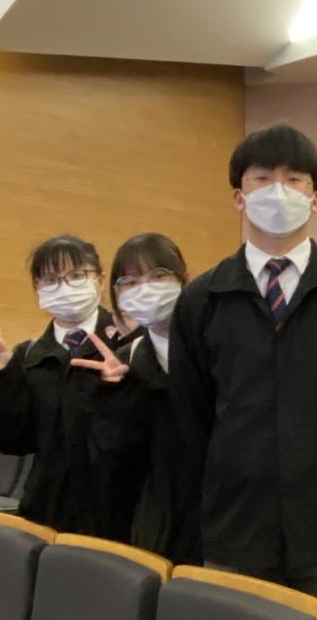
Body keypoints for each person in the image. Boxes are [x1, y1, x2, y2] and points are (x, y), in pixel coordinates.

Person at [168, 124, 317, 613]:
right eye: (262, 178)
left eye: (294, 179)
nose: (279, 191)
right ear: (239, 196)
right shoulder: (202, 298)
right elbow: (192, 418)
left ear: (315, 198)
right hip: (237, 531)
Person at [0, 234, 130, 536]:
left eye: (76, 275)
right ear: (38, 290)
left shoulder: (128, 346)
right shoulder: (30, 355)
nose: (65, 286)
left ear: (99, 281)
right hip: (46, 511)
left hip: (117, 513)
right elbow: (15, 441)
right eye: (51, 279)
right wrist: (4, 375)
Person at [73, 233, 192, 561]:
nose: (145, 288)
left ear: (184, 279)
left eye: (158, 276)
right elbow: (113, 459)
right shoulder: (125, 360)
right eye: (130, 281)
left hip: (224, 516)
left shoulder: (218, 349)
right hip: (155, 519)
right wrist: (114, 393)